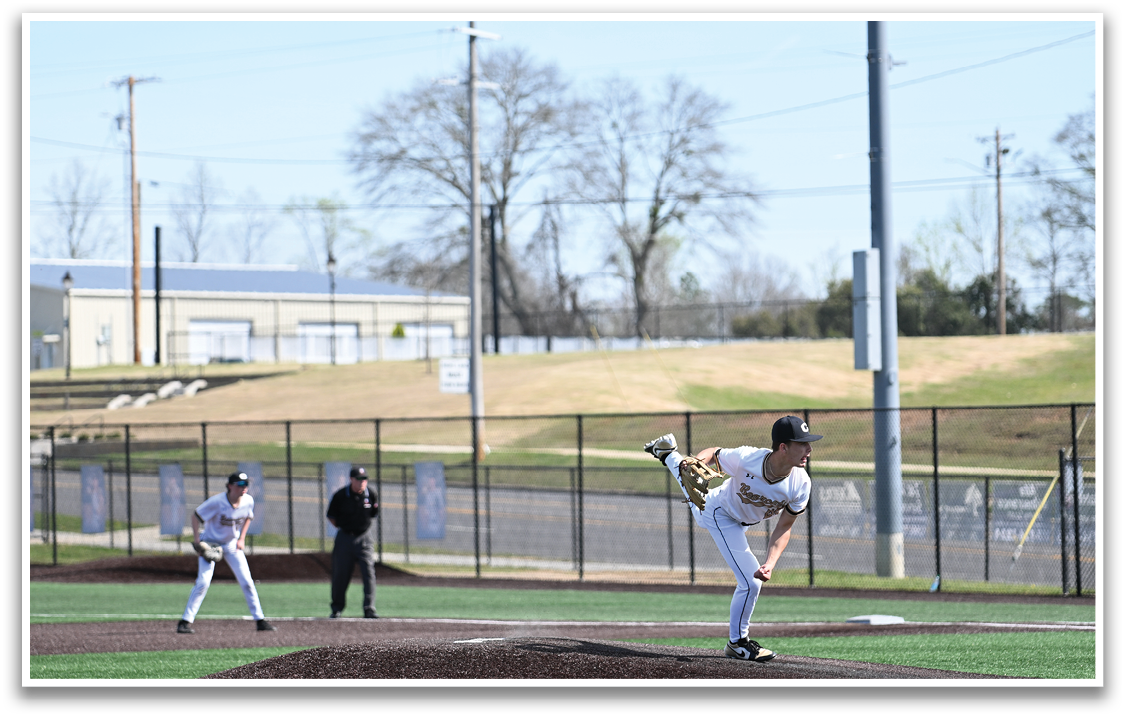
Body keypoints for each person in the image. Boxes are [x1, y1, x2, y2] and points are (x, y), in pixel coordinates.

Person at [644, 415, 823, 662]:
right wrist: (695, 461)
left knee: (691, 487)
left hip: (734, 518)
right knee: (750, 581)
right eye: (802, 443)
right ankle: (738, 643)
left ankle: (667, 454)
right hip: (720, 513)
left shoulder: (801, 483)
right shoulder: (749, 459)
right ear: (783, 447)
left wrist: (770, 562)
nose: (809, 449)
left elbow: (784, 527)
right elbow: (715, 454)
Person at [177, 472, 275, 633]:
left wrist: (241, 538)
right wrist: (197, 542)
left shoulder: (248, 500)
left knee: (247, 582)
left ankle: (260, 620)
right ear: (230, 486)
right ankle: (184, 622)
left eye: (246, 485)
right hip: (210, 545)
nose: (244, 488)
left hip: (231, 545)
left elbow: (248, 517)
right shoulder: (217, 502)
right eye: (240, 485)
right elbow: (195, 517)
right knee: (203, 582)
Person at [326, 466, 380, 618]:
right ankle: (337, 608)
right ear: (351, 480)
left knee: (369, 572)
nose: (362, 482)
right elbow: (331, 516)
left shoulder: (371, 495)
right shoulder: (341, 496)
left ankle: (369, 608)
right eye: (359, 479)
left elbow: (373, 514)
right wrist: (344, 527)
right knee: (340, 574)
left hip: (364, 537)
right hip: (345, 537)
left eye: (364, 479)